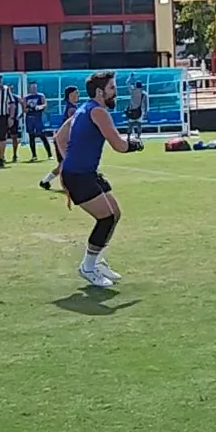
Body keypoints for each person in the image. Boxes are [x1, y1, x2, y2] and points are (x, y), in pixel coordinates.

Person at [53, 71, 141, 288]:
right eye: (112, 88)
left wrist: (67, 161)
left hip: (86, 173)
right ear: (100, 92)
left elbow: (59, 137)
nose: (115, 92)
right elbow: (119, 146)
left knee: (115, 213)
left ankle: (97, 261)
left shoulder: (84, 108)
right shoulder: (99, 112)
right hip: (78, 176)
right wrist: (136, 144)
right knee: (106, 218)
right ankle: (88, 267)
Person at [40, 86, 78, 191]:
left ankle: (45, 181)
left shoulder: (72, 107)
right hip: (63, 140)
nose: (78, 95)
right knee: (65, 163)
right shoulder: (71, 109)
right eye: (76, 93)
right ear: (70, 95)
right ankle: (66, 185)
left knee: (65, 163)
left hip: (66, 139)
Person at [23, 81, 52, 162]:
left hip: (38, 119)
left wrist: (40, 107)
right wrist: (28, 109)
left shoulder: (41, 96)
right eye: (32, 87)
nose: (33, 89)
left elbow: (45, 104)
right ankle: (34, 155)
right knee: (31, 137)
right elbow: (24, 109)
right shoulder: (26, 97)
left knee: (43, 136)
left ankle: (50, 154)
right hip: (29, 119)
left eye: (35, 87)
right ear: (29, 88)